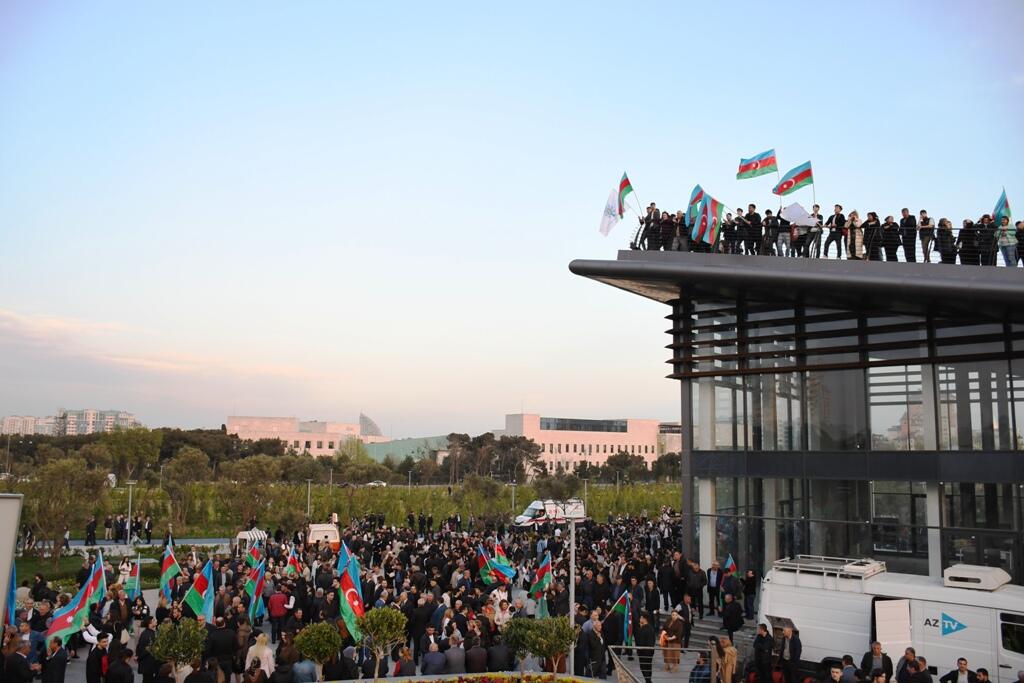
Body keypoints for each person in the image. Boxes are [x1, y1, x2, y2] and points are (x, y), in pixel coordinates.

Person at [661, 609, 683, 673]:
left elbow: (679, 633)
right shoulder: (668, 620)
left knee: (674, 654)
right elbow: (664, 628)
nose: (674, 616)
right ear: (671, 615)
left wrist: (671, 638)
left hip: (675, 641)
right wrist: (664, 635)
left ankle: (675, 666)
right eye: (673, 615)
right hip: (667, 639)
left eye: (675, 615)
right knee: (666, 653)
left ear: (677, 615)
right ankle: (667, 665)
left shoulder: (679, 623)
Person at [635, 612, 655, 683]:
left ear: (644, 619)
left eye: (641, 618)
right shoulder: (651, 628)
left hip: (643, 652)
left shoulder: (643, 629)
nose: (640, 619)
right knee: (648, 668)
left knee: (643, 667)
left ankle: (648, 681)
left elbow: (640, 642)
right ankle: (648, 680)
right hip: (650, 652)